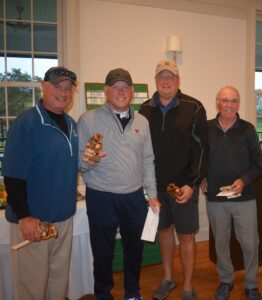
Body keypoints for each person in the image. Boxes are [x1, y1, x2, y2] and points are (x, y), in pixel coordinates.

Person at [78, 68, 160, 300]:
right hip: (101, 196)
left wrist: (152, 194)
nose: (121, 91)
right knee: (103, 252)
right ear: (106, 91)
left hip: (134, 197)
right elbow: (78, 163)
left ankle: (132, 293)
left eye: (126, 87)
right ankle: (103, 293)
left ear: (132, 92)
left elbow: (148, 160)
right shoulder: (88, 119)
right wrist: (88, 162)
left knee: (134, 249)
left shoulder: (142, 122)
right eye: (116, 87)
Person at [3, 66, 78, 300]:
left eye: (68, 88)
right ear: (43, 87)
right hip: (34, 223)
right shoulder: (27, 124)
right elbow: (13, 177)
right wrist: (24, 216)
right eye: (57, 86)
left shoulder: (71, 124)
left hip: (63, 221)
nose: (63, 92)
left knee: (58, 285)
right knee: (31, 288)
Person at [139, 59, 208, 300]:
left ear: (178, 80)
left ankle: (188, 286)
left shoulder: (194, 107)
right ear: (155, 80)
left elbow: (202, 149)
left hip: (184, 188)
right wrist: (147, 187)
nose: (166, 81)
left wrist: (192, 183)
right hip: (156, 188)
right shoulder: (144, 109)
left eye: (171, 77)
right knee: (165, 232)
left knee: (187, 236)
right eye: (161, 77)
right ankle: (168, 278)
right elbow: (139, 149)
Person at [201, 86, 262, 300]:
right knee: (221, 242)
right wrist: (201, 177)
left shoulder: (248, 129)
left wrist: (243, 181)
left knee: (250, 243)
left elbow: (258, 163)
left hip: (244, 198)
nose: (229, 104)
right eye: (225, 100)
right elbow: (197, 159)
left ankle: (251, 283)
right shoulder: (205, 128)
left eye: (234, 100)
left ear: (238, 104)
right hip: (216, 199)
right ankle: (226, 280)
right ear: (217, 102)